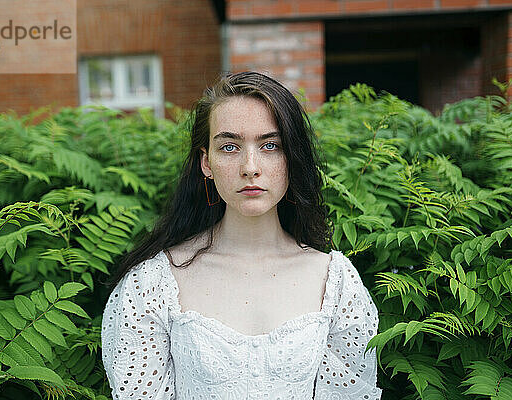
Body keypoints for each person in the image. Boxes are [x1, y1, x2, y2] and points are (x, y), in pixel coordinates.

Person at [100, 71, 382, 399]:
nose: (250, 167)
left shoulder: (335, 282)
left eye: (271, 145)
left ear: (292, 158)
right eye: (230, 147)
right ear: (206, 162)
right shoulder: (152, 284)